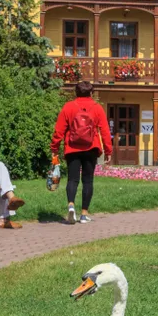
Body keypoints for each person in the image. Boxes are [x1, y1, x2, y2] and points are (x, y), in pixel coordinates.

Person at [51, 81, 113, 224]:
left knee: (72, 179)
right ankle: (84, 214)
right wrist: (108, 150)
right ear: (91, 93)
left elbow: (59, 130)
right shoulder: (97, 108)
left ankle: (71, 205)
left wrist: (54, 148)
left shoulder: (68, 107)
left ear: (75, 92)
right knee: (88, 180)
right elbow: (104, 131)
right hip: (91, 148)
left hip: (72, 148)